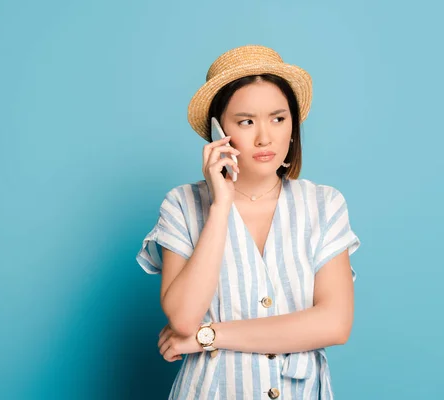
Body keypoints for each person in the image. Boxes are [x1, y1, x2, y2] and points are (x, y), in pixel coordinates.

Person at [135, 45, 361, 400]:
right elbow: (182, 318)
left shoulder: (324, 204)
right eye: (246, 121)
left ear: (293, 126)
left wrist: (207, 336)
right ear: (217, 131)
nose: (264, 137)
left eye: (278, 118)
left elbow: (335, 323)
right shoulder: (181, 205)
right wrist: (220, 205)